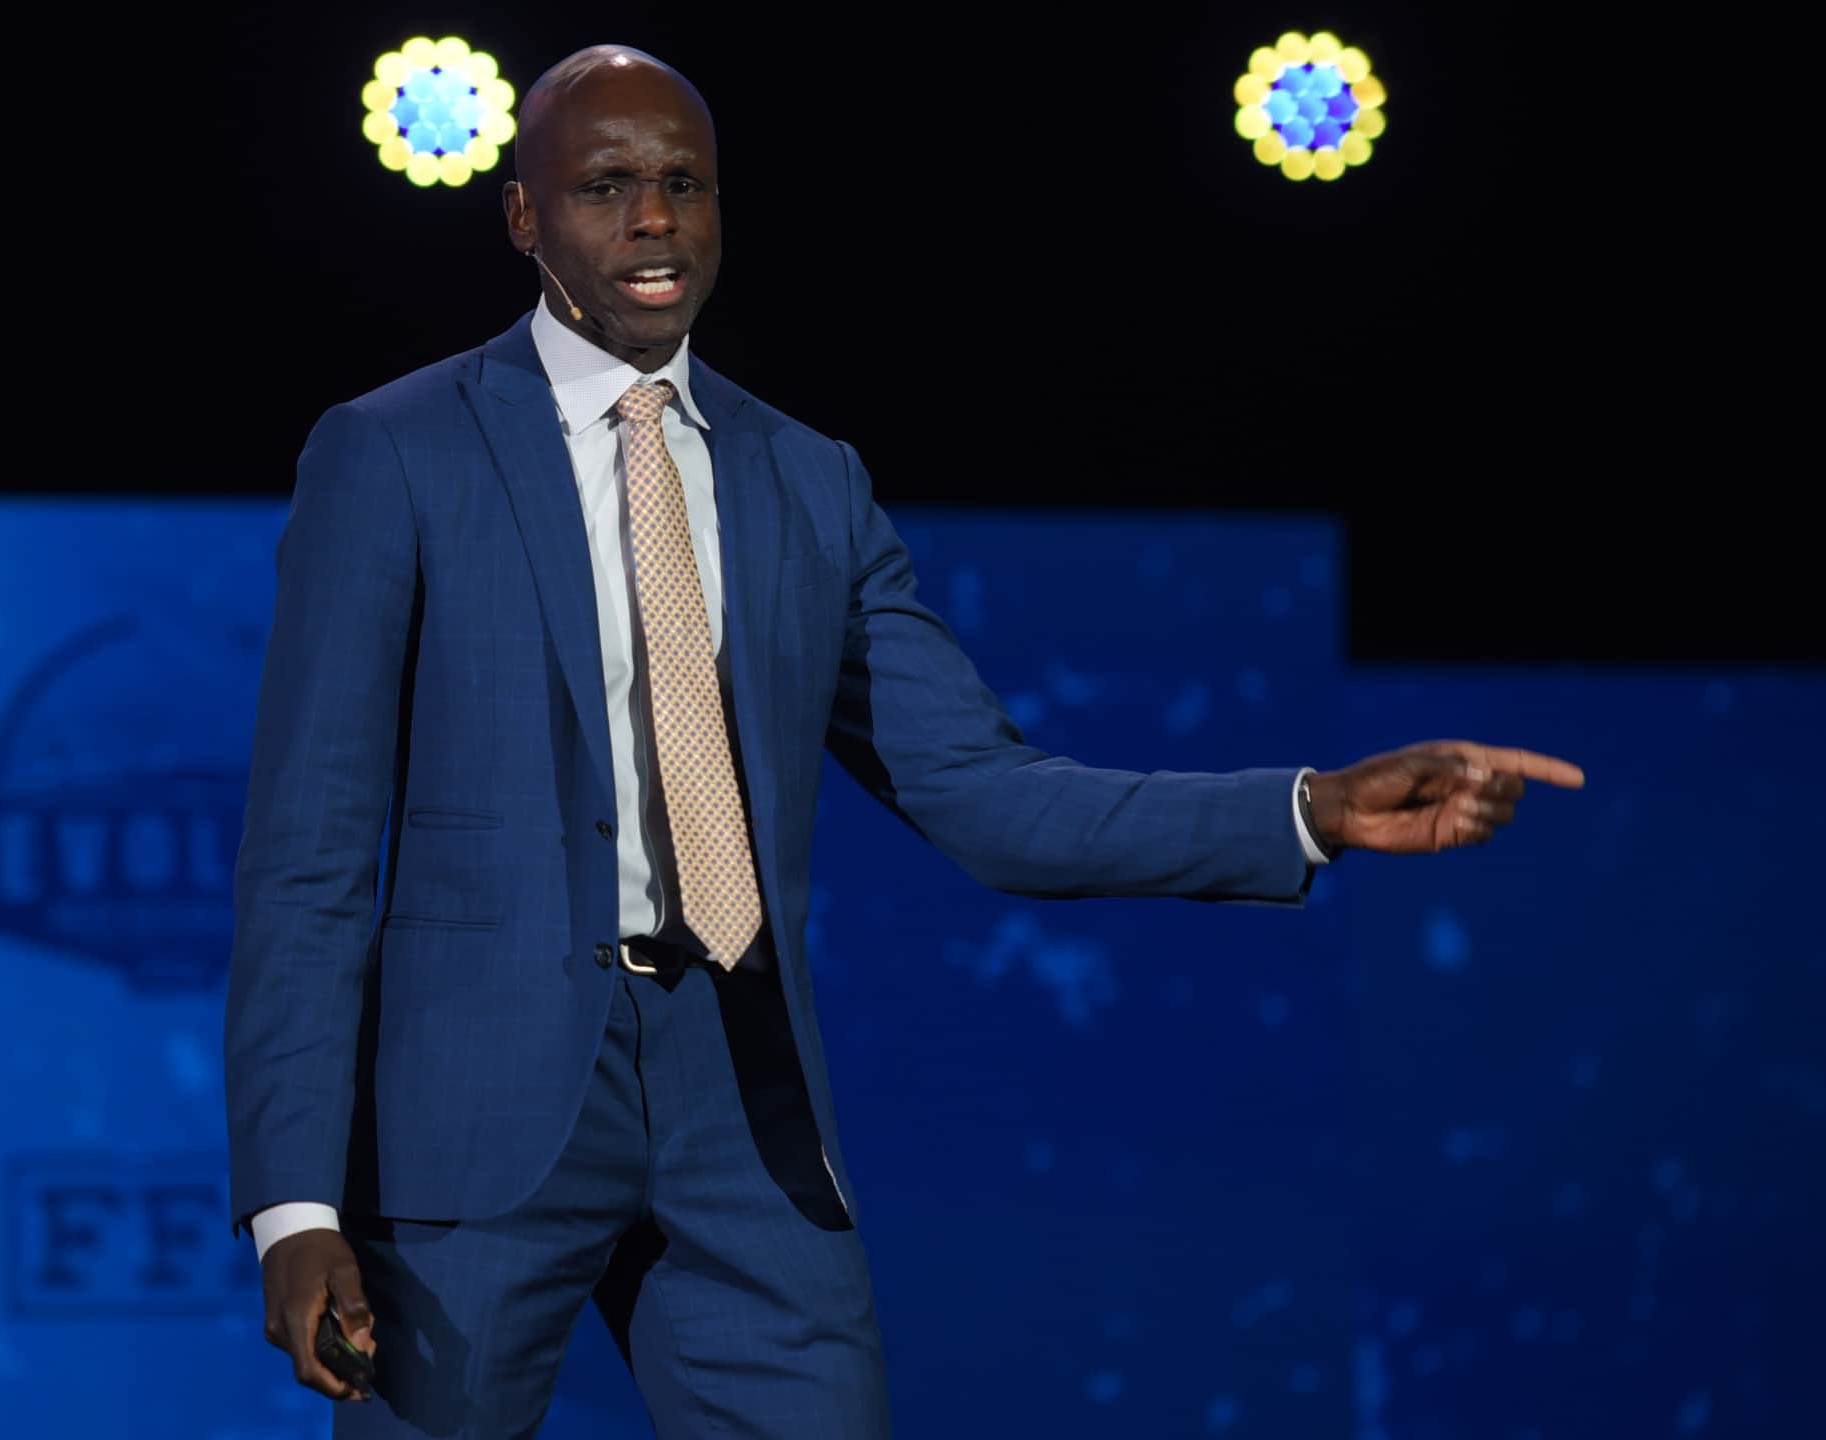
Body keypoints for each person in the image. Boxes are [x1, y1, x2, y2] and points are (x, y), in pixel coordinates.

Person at [223, 42, 1583, 1438]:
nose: (651, 221)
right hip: (476, 1124)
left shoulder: (807, 483)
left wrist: (1312, 808)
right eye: (606, 186)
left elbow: (991, 795)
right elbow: (308, 856)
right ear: (524, 216)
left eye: (683, 185)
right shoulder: (395, 453)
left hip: (740, 1110)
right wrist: (294, 1203)